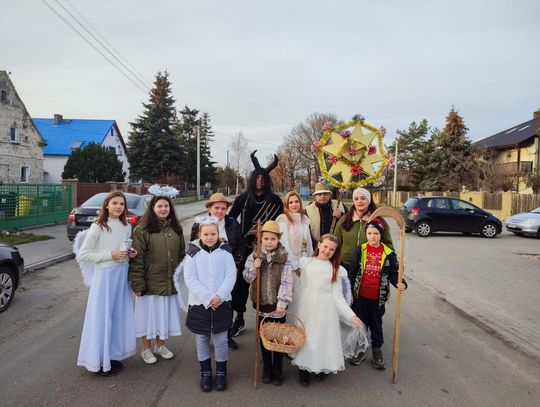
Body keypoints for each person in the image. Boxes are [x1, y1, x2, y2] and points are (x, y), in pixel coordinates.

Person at [76, 191, 137, 376]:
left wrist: (130, 253)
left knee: (117, 316)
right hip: (105, 277)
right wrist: (109, 255)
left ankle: (111, 354)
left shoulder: (126, 226)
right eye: (115, 203)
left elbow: (123, 247)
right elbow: (83, 254)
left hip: (121, 274)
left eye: (121, 204)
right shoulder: (98, 226)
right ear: (107, 205)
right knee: (102, 317)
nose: (118, 206)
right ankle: (98, 360)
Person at [291, 234, 363, 386]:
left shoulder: (336, 269)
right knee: (306, 335)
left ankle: (321, 365)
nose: (327, 251)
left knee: (321, 337)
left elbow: (338, 297)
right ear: (319, 245)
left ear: (335, 252)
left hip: (325, 307)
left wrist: (351, 316)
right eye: (325, 246)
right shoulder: (306, 262)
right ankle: (303, 370)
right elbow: (300, 286)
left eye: (331, 249)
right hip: (306, 305)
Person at [228, 151, 284, 338]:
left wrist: (266, 234)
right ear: (253, 179)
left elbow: (282, 222)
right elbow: (230, 220)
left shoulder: (275, 201)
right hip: (245, 248)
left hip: (268, 247)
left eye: (263, 177)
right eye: (257, 176)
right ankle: (240, 317)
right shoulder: (243, 199)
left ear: (267, 180)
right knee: (241, 283)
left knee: (270, 284)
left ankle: (269, 320)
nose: (260, 179)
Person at [128, 190, 185, 365]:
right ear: (152, 208)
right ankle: (146, 348)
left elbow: (182, 255)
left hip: (169, 282)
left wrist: (181, 279)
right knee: (146, 317)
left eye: (166, 206)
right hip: (149, 282)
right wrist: (137, 284)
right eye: (159, 206)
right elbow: (137, 258)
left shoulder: (176, 228)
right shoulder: (142, 230)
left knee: (164, 316)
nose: (163, 209)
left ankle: (160, 345)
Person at [183, 216, 237, 392]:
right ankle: (205, 372)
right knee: (202, 339)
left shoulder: (226, 252)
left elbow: (231, 276)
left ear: (218, 234)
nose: (209, 237)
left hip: (222, 303)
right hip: (200, 304)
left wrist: (219, 296)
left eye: (213, 233)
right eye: (205, 234)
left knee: (221, 340)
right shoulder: (193, 253)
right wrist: (208, 298)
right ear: (200, 234)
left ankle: (221, 372)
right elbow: (190, 278)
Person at [348, 218, 407, 370]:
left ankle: (377, 351)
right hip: (360, 297)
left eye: (376, 233)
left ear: (381, 234)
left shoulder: (389, 253)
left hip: (377, 298)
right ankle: (361, 350)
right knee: (360, 325)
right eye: (369, 233)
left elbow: (394, 273)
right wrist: (350, 292)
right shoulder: (360, 250)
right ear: (366, 234)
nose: (372, 236)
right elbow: (353, 271)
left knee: (376, 325)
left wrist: (400, 283)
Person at [243, 220, 292, 386]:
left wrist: (282, 304)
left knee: (278, 337)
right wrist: (253, 268)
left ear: (278, 239)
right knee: (264, 336)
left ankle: (278, 367)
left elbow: (286, 281)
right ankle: (267, 367)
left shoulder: (284, 258)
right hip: (261, 303)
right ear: (261, 239)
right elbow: (246, 278)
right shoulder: (254, 256)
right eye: (266, 239)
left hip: (277, 305)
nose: (269, 242)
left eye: (273, 238)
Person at [190, 192, 241, 350]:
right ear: (210, 208)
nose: (220, 211)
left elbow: (240, 243)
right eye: (217, 208)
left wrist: (237, 258)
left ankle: (226, 335)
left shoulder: (232, 223)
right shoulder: (199, 224)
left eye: (223, 208)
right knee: (206, 303)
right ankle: (206, 335)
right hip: (205, 270)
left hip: (227, 269)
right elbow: (193, 247)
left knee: (226, 303)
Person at [334, 187, 393, 272]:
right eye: (356, 199)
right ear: (353, 202)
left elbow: (388, 245)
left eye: (363, 198)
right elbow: (336, 241)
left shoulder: (378, 221)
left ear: (369, 200)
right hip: (345, 265)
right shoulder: (344, 219)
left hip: (369, 266)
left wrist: (393, 263)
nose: (359, 201)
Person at [276, 190, 313, 277]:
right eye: (290, 202)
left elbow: (309, 243)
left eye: (296, 201)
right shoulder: (283, 220)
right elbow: (284, 246)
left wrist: (311, 260)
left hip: (304, 262)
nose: (294, 205)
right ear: (286, 205)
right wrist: (295, 266)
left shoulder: (304, 219)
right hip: (289, 265)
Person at [304, 182, 346, 247]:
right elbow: (306, 233)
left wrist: (341, 215)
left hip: (337, 246)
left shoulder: (340, 205)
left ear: (329, 195)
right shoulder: (307, 210)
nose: (322, 196)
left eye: (325, 194)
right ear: (315, 196)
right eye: (319, 194)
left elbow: (350, 222)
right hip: (316, 247)